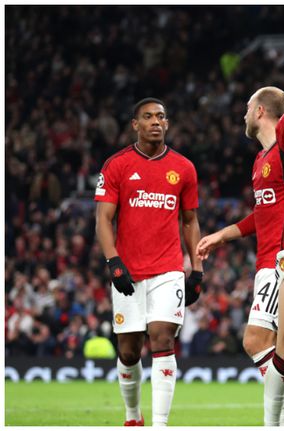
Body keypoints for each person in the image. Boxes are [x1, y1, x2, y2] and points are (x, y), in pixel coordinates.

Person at [94, 97, 203, 426]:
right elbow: (103, 219)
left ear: (167, 124)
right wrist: (113, 262)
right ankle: (132, 416)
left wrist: (196, 268)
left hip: (168, 270)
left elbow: (190, 221)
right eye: (148, 117)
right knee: (128, 351)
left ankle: (159, 425)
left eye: (161, 117)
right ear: (135, 125)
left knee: (162, 337)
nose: (156, 121)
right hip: (128, 270)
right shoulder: (117, 165)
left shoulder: (184, 168)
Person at [194, 86, 284, 422]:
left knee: (255, 340)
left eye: (248, 107)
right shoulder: (261, 159)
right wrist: (221, 236)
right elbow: (262, 215)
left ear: (261, 111)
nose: (243, 114)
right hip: (267, 260)